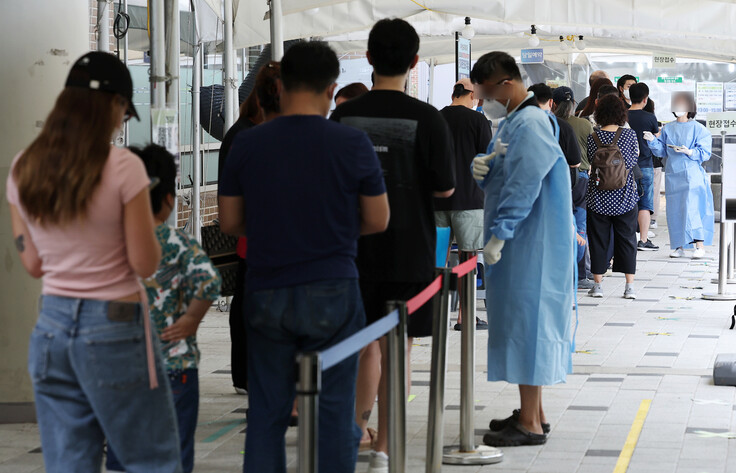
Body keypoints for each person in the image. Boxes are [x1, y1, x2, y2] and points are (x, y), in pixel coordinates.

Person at [6, 52, 182, 472]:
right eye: (124, 110)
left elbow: (32, 263)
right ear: (113, 104)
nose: (123, 121)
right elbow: (144, 262)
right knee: (151, 460)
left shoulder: (23, 166)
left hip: (51, 327)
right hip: (114, 326)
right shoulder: (124, 167)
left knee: (69, 463)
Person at [219, 41, 390, 473]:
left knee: (267, 416)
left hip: (265, 288)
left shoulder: (246, 143)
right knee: (334, 415)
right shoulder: (352, 143)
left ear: (281, 84)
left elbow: (230, 222)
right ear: (332, 88)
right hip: (333, 286)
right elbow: (378, 219)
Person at [330, 18, 456, 471]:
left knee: (364, 344)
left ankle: (353, 434)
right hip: (410, 247)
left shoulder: (343, 117)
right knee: (397, 343)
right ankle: (385, 445)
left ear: (367, 58)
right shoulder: (428, 118)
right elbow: (444, 191)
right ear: (415, 61)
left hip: (354, 249)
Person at [470, 52, 575, 447]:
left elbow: (523, 185)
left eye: (484, 93)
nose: (483, 101)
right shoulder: (513, 121)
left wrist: (500, 233)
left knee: (528, 328)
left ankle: (529, 424)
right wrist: (480, 169)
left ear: (505, 84)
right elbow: (502, 176)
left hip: (530, 244)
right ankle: (535, 413)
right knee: (521, 326)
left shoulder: (529, 123)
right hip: (522, 242)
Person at [106, 145, 221, 473]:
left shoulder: (111, 246)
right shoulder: (178, 243)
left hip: (122, 370)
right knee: (172, 455)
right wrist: (190, 319)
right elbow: (209, 282)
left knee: (123, 454)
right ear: (170, 198)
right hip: (175, 367)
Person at [217, 61, 281, 396]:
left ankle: (251, 377)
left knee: (250, 309)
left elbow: (229, 213)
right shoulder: (245, 137)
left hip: (251, 240)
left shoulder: (244, 137)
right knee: (247, 310)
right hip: (252, 243)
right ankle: (246, 374)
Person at [436, 78, 492, 331]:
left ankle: (435, 316)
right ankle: (464, 317)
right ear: (472, 96)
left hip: (436, 201)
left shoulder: (435, 118)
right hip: (469, 200)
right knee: (468, 259)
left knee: (437, 260)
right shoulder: (478, 121)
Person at [646, 92, 714, 259]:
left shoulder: (699, 128)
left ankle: (699, 246)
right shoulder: (668, 128)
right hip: (673, 175)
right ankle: (678, 246)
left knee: (693, 210)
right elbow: (662, 150)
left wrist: (690, 151)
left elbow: (705, 153)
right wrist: (652, 141)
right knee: (674, 211)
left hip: (692, 175)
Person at [586, 95, 640, 299]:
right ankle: (629, 287)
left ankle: (598, 286)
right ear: (621, 113)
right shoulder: (629, 135)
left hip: (598, 195)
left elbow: (592, 159)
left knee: (598, 240)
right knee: (627, 239)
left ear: (600, 114)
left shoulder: (593, 137)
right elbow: (633, 159)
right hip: (624, 195)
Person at [553, 86, 595, 289]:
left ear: (552, 103)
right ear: (572, 104)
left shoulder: (548, 124)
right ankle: (580, 275)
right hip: (580, 179)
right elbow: (584, 156)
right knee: (579, 227)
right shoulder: (583, 124)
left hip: (554, 180)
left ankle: (560, 273)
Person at [627, 82, 660, 251]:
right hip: (645, 165)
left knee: (627, 201)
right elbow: (656, 137)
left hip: (624, 167)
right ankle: (644, 240)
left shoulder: (622, 116)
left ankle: (629, 237)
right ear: (645, 99)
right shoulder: (649, 118)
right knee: (645, 204)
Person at [644, 98, 665, 228]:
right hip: (654, 162)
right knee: (654, 191)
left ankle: (649, 220)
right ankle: (652, 219)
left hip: (643, 161)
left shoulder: (634, 119)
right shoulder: (654, 121)